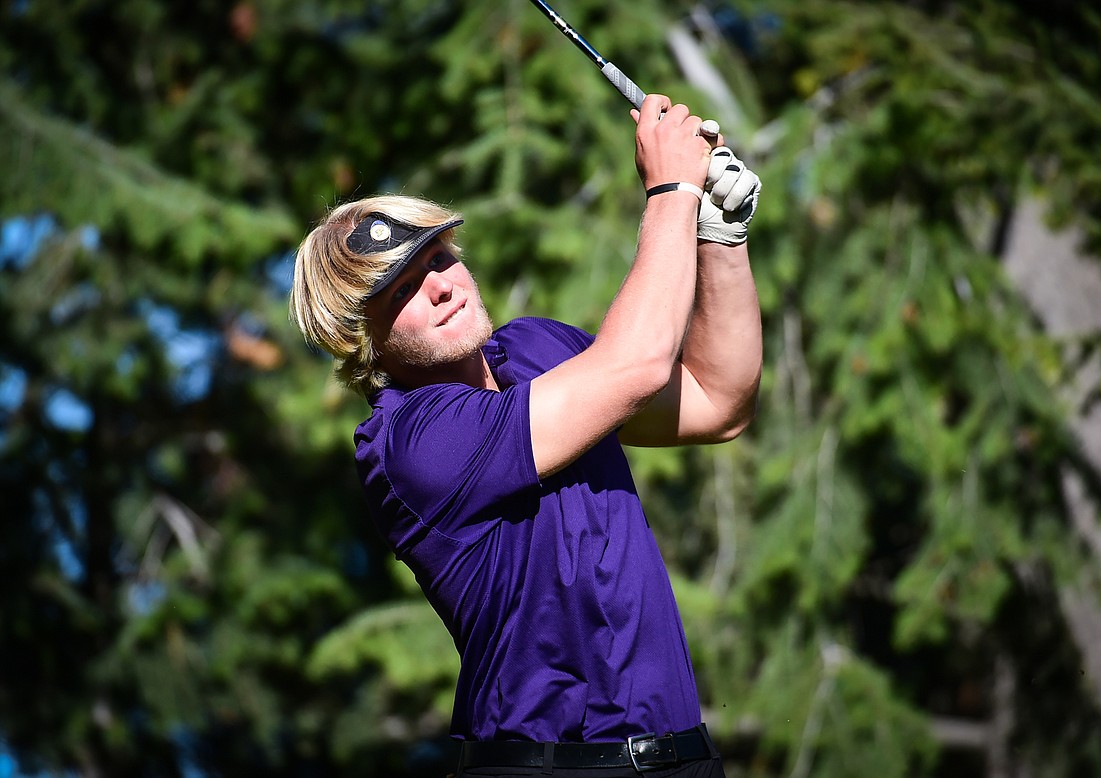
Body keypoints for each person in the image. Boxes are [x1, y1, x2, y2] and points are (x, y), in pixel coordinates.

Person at [290, 94, 762, 777]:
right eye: (402, 293)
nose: (442, 288)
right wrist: (671, 191)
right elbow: (633, 366)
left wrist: (718, 237)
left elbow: (720, 400)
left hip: (682, 758)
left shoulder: (539, 347)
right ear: (364, 342)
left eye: (441, 261)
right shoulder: (410, 443)